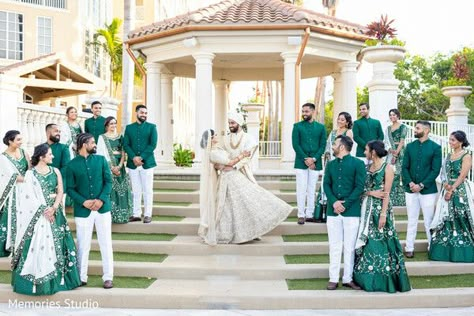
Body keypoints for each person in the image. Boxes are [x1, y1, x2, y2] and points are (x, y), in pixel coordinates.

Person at [199, 130, 292, 245]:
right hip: (228, 179)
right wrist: (242, 155)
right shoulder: (213, 153)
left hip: (233, 176)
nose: (217, 136)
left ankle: (251, 230)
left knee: (249, 199)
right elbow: (230, 162)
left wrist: (224, 165)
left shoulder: (217, 149)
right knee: (231, 206)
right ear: (211, 139)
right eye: (215, 135)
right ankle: (230, 233)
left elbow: (226, 164)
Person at [12, 144, 81, 295]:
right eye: (50, 154)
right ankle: (41, 284)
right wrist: (44, 210)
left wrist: (54, 208)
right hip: (38, 217)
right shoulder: (30, 174)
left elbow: (60, 190)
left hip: (55, 213)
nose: (53, 156)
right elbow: (28, 197)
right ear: (42, 157)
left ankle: (61, 281)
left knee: (60, 244)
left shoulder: (55, 171)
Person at [353, 140, 411, 293]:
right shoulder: (366, 167)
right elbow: (361, 189)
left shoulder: (388, 168)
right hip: (365, 208)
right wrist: (369, 193)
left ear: (373, 152)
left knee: (381, 240)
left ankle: (384, 280)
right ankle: (366, 278)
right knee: (368, 241)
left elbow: (386, 194)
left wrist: (383, 214)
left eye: (366, 150)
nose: (364, 152)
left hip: (380, 210)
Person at [66, 133, 114, 289]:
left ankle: (108, 277)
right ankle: (81, 276)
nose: (95, 145)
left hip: (103, 209)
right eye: (92, 142)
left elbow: (108, 181)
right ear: (83, 144)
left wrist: (101, 200)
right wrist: (83, 201)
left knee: (105, 243)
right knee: (82, 244)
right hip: (82, 211)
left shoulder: (100, 160)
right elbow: (70, 189)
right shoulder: (72, 165)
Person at [323, 135, 365, 290]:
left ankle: (348, 278)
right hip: (332, 211)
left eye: (334, 144)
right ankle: (333, 278)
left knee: (349, 246)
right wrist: (334, 201)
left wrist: (345, 204)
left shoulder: (358, 164)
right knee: (334, 245)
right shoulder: (331, 164)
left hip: (351, 211)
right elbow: (326, 185)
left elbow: (359, 187)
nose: (332, 146)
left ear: (341, 147)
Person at [429, 131, 474, 262]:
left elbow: (463, 175)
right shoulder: (448, 155)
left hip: (459, 191)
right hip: (447, 189)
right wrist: (445, 184)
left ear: (460, 142)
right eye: (450, 140)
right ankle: (444, 252)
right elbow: (443, 173)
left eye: (453, 140)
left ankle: (463, 251)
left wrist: (452, 189)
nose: (450, 142)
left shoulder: (466, 155)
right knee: (446, 217)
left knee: (460, 216)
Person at [402, 120, 442, 258]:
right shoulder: (409, 146)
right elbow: (404, 167)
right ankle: (409, 247)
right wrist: (411, 183)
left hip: (428, 191)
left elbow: (435, 170)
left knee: (428, 221)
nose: (415, 130)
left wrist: (422, 185)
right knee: (411, 219)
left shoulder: (436, 147)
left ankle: (432, 247)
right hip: (411, 190)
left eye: (417, 128)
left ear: (426, 130)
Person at [291, 103, 326, 225]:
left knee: (312, 189)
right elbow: (296, 145)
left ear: (313, 112)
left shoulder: (321, 127)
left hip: (315, 164)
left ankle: (310, 214)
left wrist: (314, 159)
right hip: (301, 162)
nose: (304, 114)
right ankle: (301, 214)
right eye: (303, 111)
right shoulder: (297, 126)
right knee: (301, 188)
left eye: (306, 111)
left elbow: (322, 145)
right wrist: (306, 159)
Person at [314, 112, 353, 222]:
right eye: (338, 119)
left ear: (347, 122)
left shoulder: (348, 132)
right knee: (328, 183)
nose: (339, 121)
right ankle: (322, 214)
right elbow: (328, 146)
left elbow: (349, 148)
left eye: (342, 120)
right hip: (331, 162)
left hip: (342, 163)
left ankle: (339, 210)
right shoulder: (333, 132)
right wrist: (328, 156)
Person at [124, 105, 158, 224]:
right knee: (136, 190)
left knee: (148, 190)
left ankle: (148, 214)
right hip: (132, 164)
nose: (144, 114)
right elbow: (126, 144)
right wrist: (133, 157)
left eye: (146, 113)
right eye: (142, 112)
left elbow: (152, 145)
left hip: (147, 163)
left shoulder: (152, 127)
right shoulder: (129, 128)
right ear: (136, 113)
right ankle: (136, 214)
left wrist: (141, 157)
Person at [97, 117, 133, 224]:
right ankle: (112, 216)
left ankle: (123, 215)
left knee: (123, 190)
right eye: (111, 124)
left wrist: (120, 165)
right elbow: (101, 154)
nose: (113, 126)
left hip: (120, 167)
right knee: (111, 190)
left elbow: (123, 151)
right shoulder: (102, 137)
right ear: (106, 125)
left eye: (114, 123)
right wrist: (111, 167)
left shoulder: (120, 137)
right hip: (108, 167)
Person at [0, 130, 29, 257]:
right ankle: (8, 247)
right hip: (12, 192)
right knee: (11, 216)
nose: (20, 142)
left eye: (21, 139)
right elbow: (12, 177)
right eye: (18, 140)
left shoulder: (23, 152)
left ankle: (23, 246)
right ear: (10, 141)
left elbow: (30, 168)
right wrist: (30, 180)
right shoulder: (3, 157)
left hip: (26, 190)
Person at [221, 111, 258, 183]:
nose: (230, 125)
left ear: (239, 123)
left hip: (244, 171)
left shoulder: (249, 138)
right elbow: (223, 154)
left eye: (232, 123)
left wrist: (234, 167)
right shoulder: (225, 139)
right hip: (227, 172)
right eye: (229, 123)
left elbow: (247, 157)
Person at [385, 109, 408, 207]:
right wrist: (390, 150)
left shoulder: (403, 127)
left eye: (394, 115)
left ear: (398, 116)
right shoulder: (388, 128)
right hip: (391, 152)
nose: (392, 117)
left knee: (400, 173)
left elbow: (402, 141)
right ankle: (392, 198)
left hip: (400, 152)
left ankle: (401, 199)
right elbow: (386, 141)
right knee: (391, 173)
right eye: (390, 115)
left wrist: (396, 154)